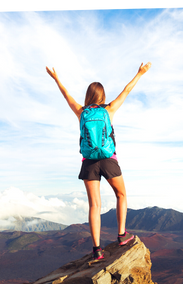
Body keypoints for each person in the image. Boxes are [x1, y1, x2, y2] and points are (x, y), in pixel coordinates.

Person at [46, 62, 152, 260]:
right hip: (108, 159)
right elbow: (126, 90)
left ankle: (97, 250)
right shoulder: (109, 110)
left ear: (88, 96)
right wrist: (140, 73)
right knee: (121, 194)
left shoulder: (81, 112)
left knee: (95, 205)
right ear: (102, 96)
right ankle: (122, 235)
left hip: (89, 162)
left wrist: (56, 78)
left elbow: (66, 94)